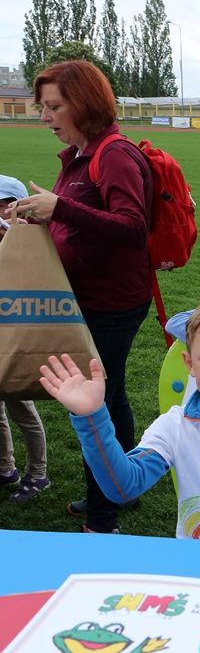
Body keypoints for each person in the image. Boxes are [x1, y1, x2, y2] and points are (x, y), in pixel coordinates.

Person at [10, 60, 154, 533]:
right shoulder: (82, 154)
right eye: (42, 107)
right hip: (91, 299)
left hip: (111, 304)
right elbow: (77, 220)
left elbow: (134, 228)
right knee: (111, 400)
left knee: (95, 404)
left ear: (84, 103)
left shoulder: (113, 155)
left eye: (54, 106)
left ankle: (103, 517)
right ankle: (121, 490)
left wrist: (61, 208)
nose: (45, 117)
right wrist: (40, 214)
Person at [38, 296, 200, 540]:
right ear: (190, 363)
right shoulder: (175, 427)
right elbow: (123, 486)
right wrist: (92, 418)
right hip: (196, 567)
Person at [0, 176, 50, 504]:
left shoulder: (31, 238)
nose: (1, 210)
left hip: (17, 337)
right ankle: (6, 467)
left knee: (21, 406)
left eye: (4, 204)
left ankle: (39, 473)